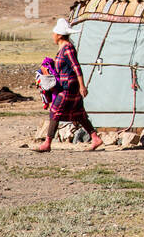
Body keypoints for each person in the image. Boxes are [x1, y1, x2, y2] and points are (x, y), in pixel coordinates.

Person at [32, 18, 103, 152]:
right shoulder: (62, 49)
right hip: (66, 85)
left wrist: (82, 86)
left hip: (69, 87)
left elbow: (76, 67)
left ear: (59, 35)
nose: (52, 36)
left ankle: (47, 143)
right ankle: (95, 138)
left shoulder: (68, 48)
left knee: (55, 111)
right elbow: (62, 68)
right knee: (79, 114)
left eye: (54, 33)